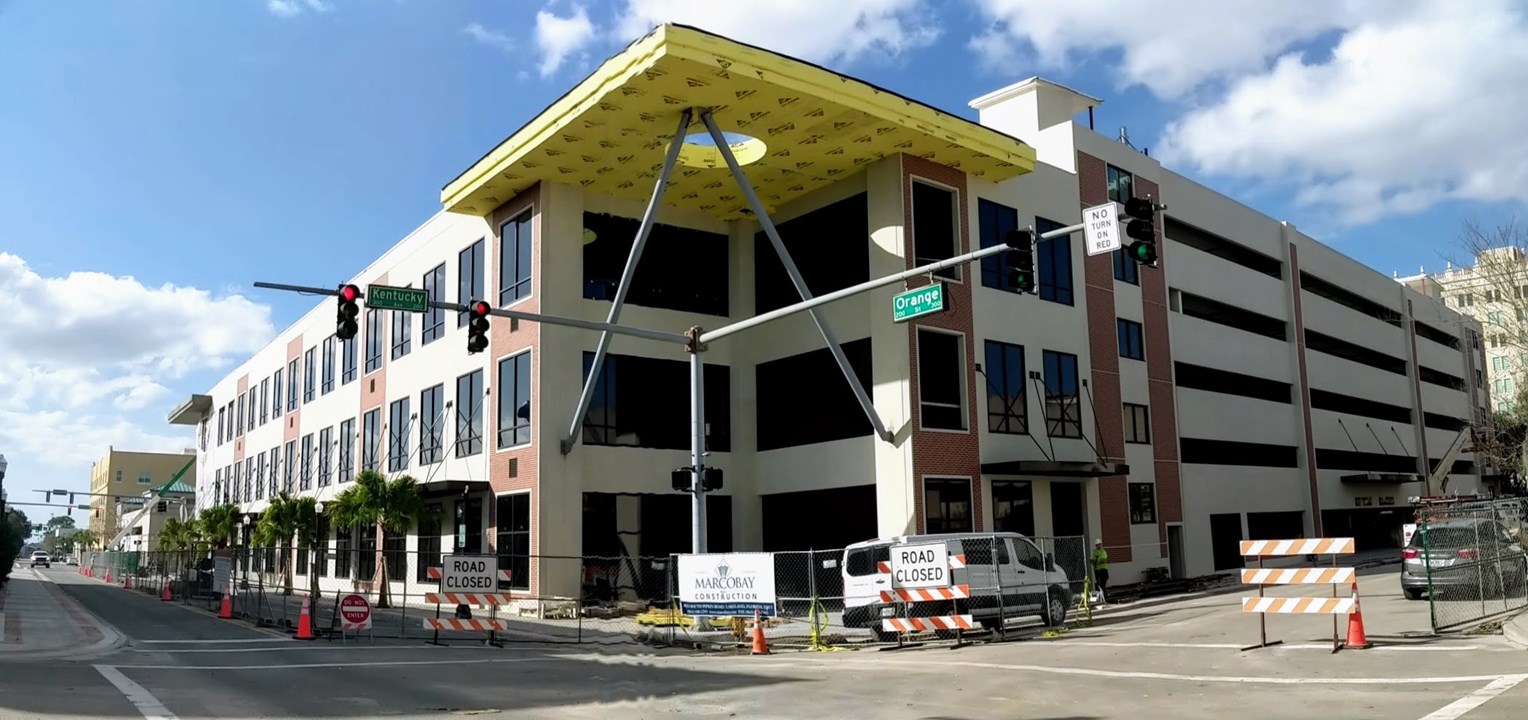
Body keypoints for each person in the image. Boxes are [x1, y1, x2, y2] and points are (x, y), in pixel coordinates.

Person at [1090, 539, 1110, 604]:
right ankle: (1101, 600)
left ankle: (1104, 599)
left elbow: (1104, 560)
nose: (1098, 545)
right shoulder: (1094, 552)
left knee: (1102, 585)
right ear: (1096, 545)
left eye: (1099, 544)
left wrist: (1097, 561)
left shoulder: (1103, 552)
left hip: (1103, 570)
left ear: (1101, 544)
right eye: (1097, 545)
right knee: (1099, 585)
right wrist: (1097, 561)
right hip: (1097, 571)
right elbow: (1092, 560)